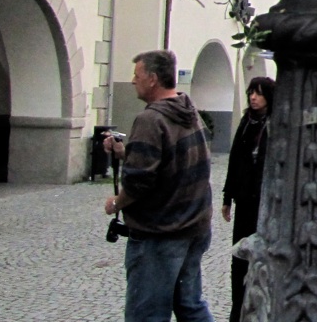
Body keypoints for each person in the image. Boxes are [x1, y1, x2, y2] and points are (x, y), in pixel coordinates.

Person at [102, 50, 215, 322]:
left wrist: (116, 203)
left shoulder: (150, 120)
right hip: (194, 226)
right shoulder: (188, 111)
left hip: (161, 233)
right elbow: (173, 160)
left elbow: (139, 182)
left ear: (152, 79)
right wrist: (126, 152)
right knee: (190, 306)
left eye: (137, 75)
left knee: (146, 314)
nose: (133, 81)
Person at [222, 76, 275, 322]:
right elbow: (235, 158)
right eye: (251, 93)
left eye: (259, 93)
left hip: (264, 202)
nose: (253, 97)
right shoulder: (246, 122)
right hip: (244, 199)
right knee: (239, 256)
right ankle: (238, 309)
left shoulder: (274, 125)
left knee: (262, 255)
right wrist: (227, 196)